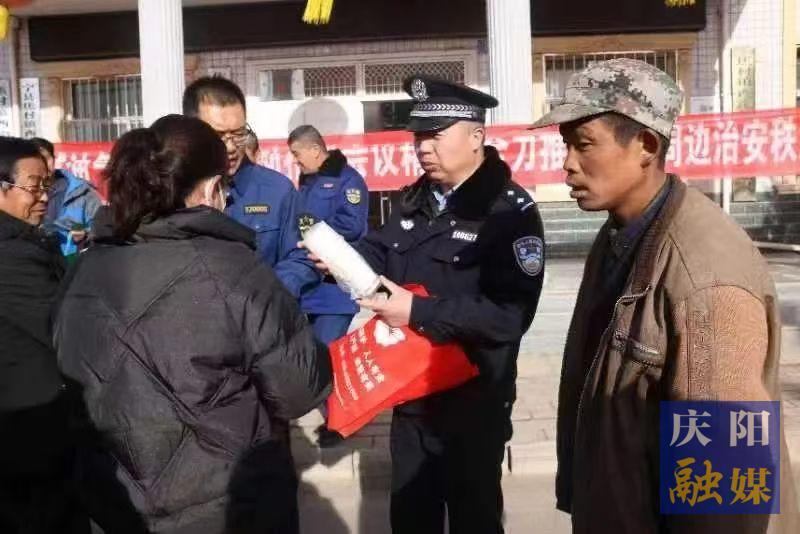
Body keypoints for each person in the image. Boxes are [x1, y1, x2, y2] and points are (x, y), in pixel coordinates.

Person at [530, 58, 799, 532]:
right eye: (565, 144)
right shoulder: (620, 234)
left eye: (584, 144)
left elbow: (724, 492)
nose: (567, 163)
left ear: (646, 146)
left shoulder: (705, 277)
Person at [54, 115, 332, 534]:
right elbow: (299, 389)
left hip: (117, 500)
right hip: (225, 502)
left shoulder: (83, 268)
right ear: (211, 188)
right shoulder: (232, 267)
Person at [308, 76, 545, 533]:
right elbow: (381, 251)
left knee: (475, 519)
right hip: (411, 395)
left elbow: (509, 317)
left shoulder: (508, 213)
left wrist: (417, 312)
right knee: (411, 516)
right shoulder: (415, 199)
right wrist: (340, 259)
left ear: (476, 136)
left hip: (474, 403)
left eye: (436, 135)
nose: (423, 147)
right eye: (419, 136)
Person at [0, 137, 87, 533]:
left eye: (46, 186)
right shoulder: (9, 257)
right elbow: (62, 324)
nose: (43, 197)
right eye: (33, 187)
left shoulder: (29, 241)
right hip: (25, 429)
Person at [183, 76, 319, 299]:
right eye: (218, 136)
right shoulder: (172, 190)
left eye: (238, 134)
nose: (230, 147)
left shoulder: (278, 191)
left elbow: (302, 258)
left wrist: (264, 295)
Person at [289, 124, 369, 447]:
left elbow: (353, 224)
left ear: (315, 150)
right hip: (308, 288)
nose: (296, 161)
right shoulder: (306, 182)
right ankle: (338, 417)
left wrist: (312, 233)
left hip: (335, 288)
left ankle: (341, 422)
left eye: (297, 154)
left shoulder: (348, 181)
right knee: (315, 356)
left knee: (326, 355)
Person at [30, 137, 102, 258]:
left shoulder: (83, 192)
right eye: (37, 159)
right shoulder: (21, 193)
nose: (44, 164)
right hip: (35, 261)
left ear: (54, 159)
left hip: (73, 262)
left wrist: (85, 234)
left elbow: (101, 230)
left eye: (46, 158)